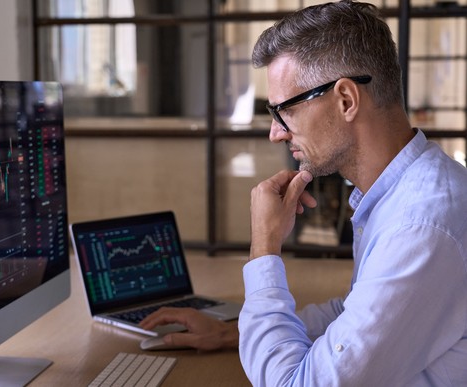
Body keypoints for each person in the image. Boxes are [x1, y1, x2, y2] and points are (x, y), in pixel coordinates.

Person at [142, 0, 467, 385]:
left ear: (346, 99)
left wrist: (264, 248)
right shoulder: (405, 192)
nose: (275, 132)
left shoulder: (420, 228)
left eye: (285, 111)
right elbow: (355, 313)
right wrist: (232, 333)